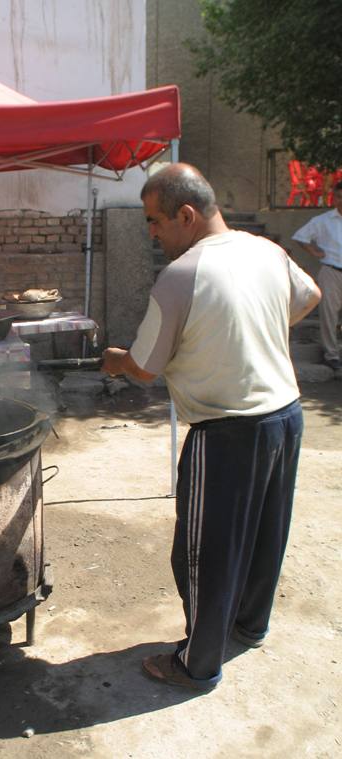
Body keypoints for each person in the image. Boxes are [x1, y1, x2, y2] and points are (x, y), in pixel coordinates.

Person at [102, 164, 321, 691]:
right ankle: (249, 626)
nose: (153, 233)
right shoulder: (265, 250)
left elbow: (146, 368)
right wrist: (252, 328)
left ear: (186, 214)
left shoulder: (181, 275)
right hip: (285, 418)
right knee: (265, 533)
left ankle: (196, 664)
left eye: (155, 222)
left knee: (203, 553)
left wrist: (116, 361)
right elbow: (309, 296)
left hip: (226, 432)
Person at [292, 180, 342, 370]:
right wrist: (313, 251)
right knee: (329, 314)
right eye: (338, 196)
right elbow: (300, 236)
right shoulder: (323, 221)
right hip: (332, 271)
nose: (341, 200)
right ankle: (331, 354)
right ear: (334, 197)